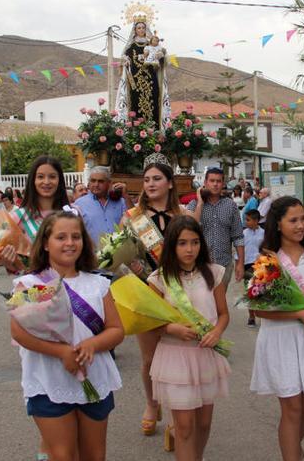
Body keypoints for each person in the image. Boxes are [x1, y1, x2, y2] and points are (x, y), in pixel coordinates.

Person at [8, 212, 124, 461]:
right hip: (49, 380)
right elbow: (18, 331)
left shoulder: (98, 283)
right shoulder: (31, 284)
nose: (70, 242)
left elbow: (116, 330)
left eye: (76, 236)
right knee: (62, 455)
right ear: (46, 243)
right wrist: (61, 352)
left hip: (94, 377)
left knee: (95, 455)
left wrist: (92, 344)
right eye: (61, 237)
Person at [250, 196, 304, 461]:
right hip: (280, 339)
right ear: (278, 224)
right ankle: (291, 454)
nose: (300, 225)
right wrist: (298, 312)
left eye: (303, 219)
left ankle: (291, 445)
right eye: (293, 220)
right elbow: (258, 309)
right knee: (292, 410)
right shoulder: (268, 260)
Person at [119, 154, 192, 437]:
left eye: (157, 179)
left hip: (179, 293)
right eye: (146, 179)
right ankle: (151, 404)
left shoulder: (184, 217)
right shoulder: (132, 218)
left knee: (177, 356)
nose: (150, 184)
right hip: (145, 292)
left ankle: (177, 410)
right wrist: (133, 267)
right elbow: (119, 254)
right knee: (149, 358)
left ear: (170, 183)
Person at [146, 216, 230, 459]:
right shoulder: (159, 279)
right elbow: (150, 323)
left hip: (206, 356)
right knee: (184, 427)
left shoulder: (214, 273)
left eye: (195, 242)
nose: (190, 249)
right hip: (175, 358)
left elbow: (223, 314)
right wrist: (171, 329)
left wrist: (217, 331)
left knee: (203, 425)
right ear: (171, 246)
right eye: (182, 243)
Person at [187, 168, 245, 288]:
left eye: (218, 181)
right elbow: (188, 229)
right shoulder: (194, 204)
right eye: (212, 180)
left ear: (223, 183)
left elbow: (238, 236)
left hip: (224, 264)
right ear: (205, 182)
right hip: (199, 265)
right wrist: (200, 203)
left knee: (220, 303)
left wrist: (240, 263)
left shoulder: (231, 206)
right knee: (202, 303)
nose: (215, 184)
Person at [116, 16, 172, 130]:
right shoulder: (130, 47)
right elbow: (124, 62)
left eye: (143, 28)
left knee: (153, 103)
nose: (141, 30)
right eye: (139, 28)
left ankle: (153, 131)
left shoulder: (153, 45)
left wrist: (161, 56)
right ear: (135, 30)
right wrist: (125, 62)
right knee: (135, 104)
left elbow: (163, 61)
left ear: (146, 30)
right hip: (135, 83)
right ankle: (136, 132)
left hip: (151, 81)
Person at [11, 156, 73, 246]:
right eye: (40, 177)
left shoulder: (72, 213)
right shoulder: (17, 217)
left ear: (59, 180)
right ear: (33, 180)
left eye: (52, 177)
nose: (46, 182)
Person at [74, 166, 127, 249]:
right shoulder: (79, 204)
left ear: (109, 183)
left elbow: (134, 219)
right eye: (93, 181)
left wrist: (126, 195)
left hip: (120, 253)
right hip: (92, 256)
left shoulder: (121, 202)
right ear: (89, 183)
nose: (96, 184)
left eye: (100, 181)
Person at [242, 209, 264, 327]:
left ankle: (263, 315)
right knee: (249, 291)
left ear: (256, 221)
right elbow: (239, 252)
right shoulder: (244, 234)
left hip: (260, 266)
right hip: (247, 265)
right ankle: (251, 317)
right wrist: (239, 266)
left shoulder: (264, 233)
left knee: (260, 290)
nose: (246, 222)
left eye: (248, 220)